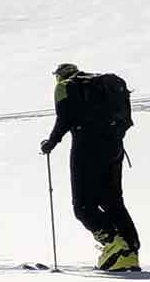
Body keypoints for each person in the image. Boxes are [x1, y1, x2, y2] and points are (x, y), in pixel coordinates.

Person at [43, 63, 141, 271]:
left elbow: (65, 118)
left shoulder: (66, 86)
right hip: (114, 147)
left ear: (60, 76)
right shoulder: (103, 84)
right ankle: (130, 252)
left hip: (86, 147)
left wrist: (51, 142)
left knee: (83, 205)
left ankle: (113, 243)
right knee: (113, 201)